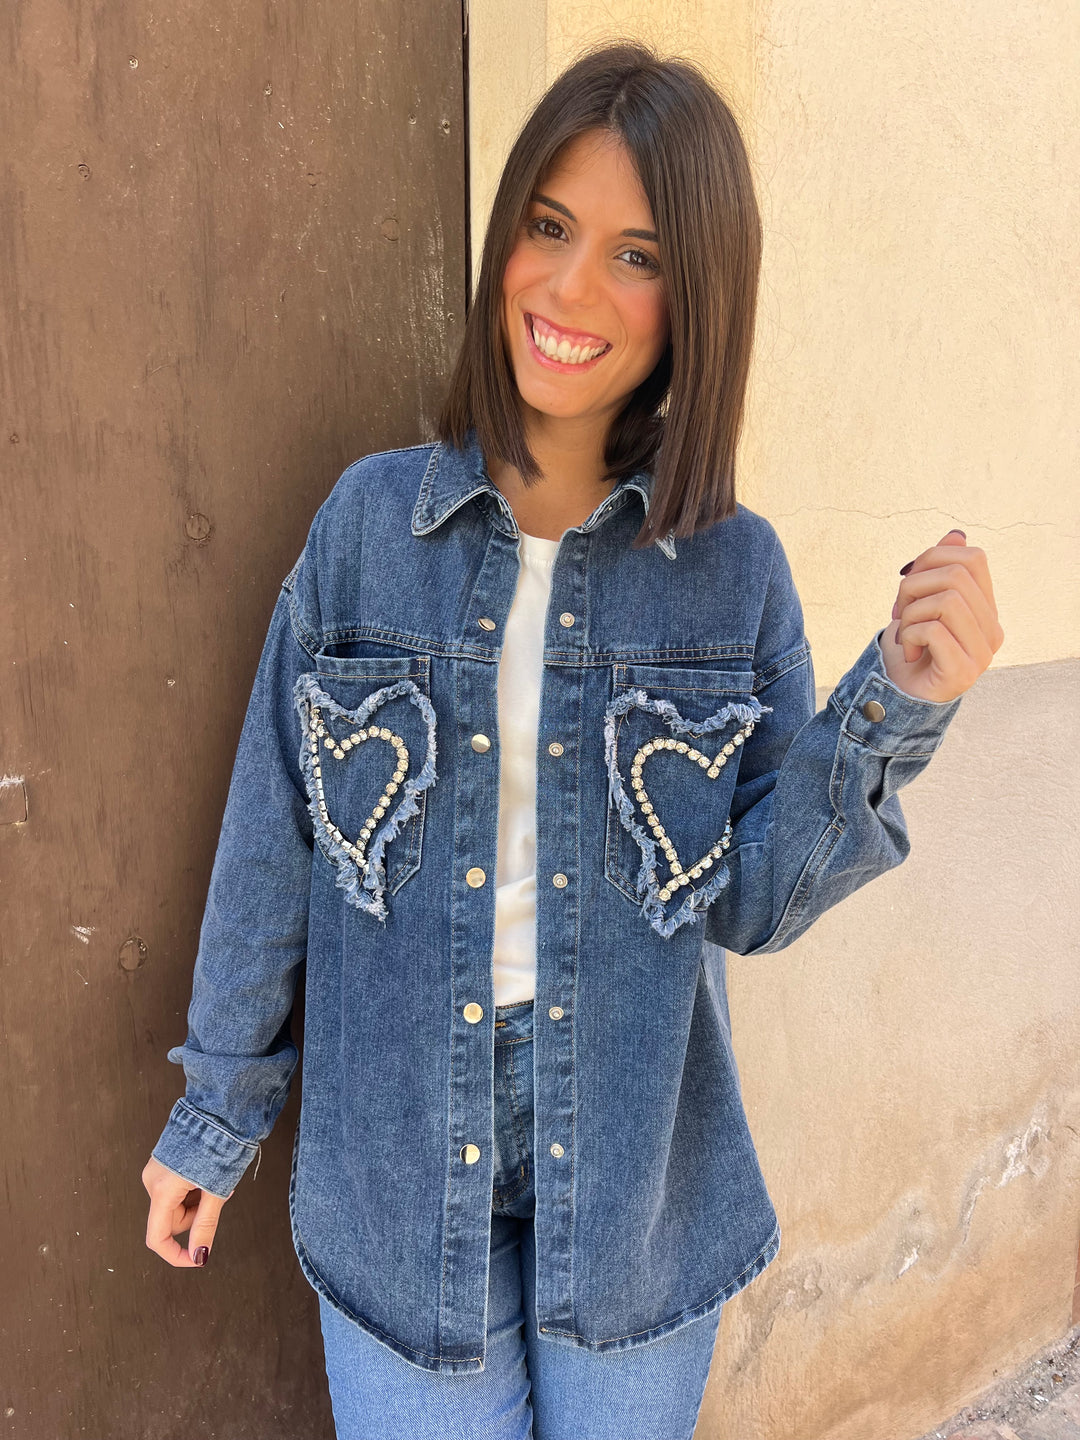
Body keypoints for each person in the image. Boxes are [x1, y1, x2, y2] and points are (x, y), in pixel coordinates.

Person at [142, 39, 1003, 1440]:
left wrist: (898, 701)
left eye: (636, 255)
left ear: (697, 296)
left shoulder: (733, 573)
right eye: (549, 227)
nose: (570, 287)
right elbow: (272, 838)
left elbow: (755, 902)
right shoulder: (368, 530)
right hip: (394, 1178)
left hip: (634, 1194)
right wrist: (216, 1116)